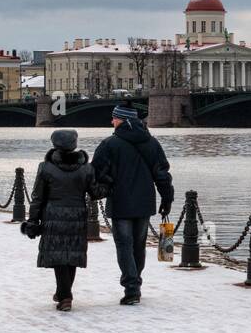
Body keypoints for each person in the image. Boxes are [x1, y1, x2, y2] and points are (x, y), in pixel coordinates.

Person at [91, 103, 174, 305]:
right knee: (139, 245)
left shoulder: (109, 144)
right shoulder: (152, 143)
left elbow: (96, 174)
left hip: (120, 203)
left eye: (114, 118)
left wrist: (106, 186)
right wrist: (167, 198)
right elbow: (162, 174)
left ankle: (132, 288)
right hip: (144, 203)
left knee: (124, 246)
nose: (112, 122)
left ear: (122, 120)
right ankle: (135, 282)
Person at [24, 129, 97, 311]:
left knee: (59, 256)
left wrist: (33, 221)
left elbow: (37, 197)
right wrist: (110, 183)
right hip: (77, 216)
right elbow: (95, 192)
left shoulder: (46, 167)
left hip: (53, 215)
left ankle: (65, 296)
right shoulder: (86, 168)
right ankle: (63, 292)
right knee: (71, 255)